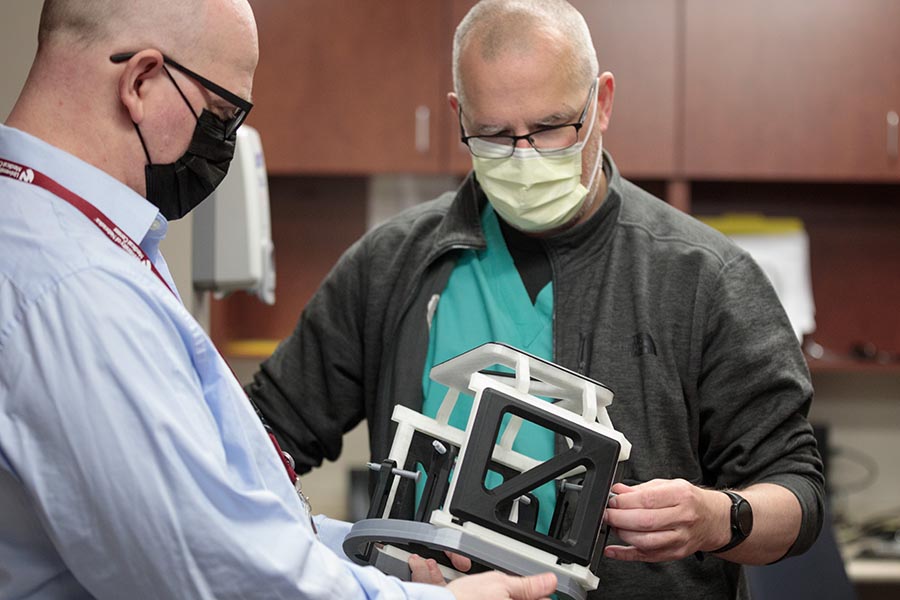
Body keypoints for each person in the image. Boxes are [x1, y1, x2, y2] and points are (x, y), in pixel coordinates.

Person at [245, 0, 826, 598]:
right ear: (458, 115)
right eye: (494, 135)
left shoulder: (704, 278)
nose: (524, 157)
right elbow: (258, 436)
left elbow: (797, 495)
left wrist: (716, 518)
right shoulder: (389, 267)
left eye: (551, 128)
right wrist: (324, 558)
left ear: (600, 102)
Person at [0, 1, 559, 599]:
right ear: (140, 81)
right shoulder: (75, 290)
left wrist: (360, 551)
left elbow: (218, 513)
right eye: (221, 115)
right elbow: (216, 572)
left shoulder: (66, 238)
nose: (224, 144)